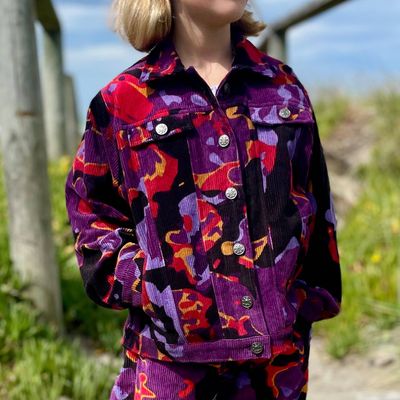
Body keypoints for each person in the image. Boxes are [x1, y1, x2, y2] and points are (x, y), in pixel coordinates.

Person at [64, 0, 342, 398]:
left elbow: (316, 210)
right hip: (168, 370)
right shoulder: (122, 102)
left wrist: (299, 305)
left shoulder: (283, 88)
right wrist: (154, 285)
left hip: (276, 368)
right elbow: (92, 219)